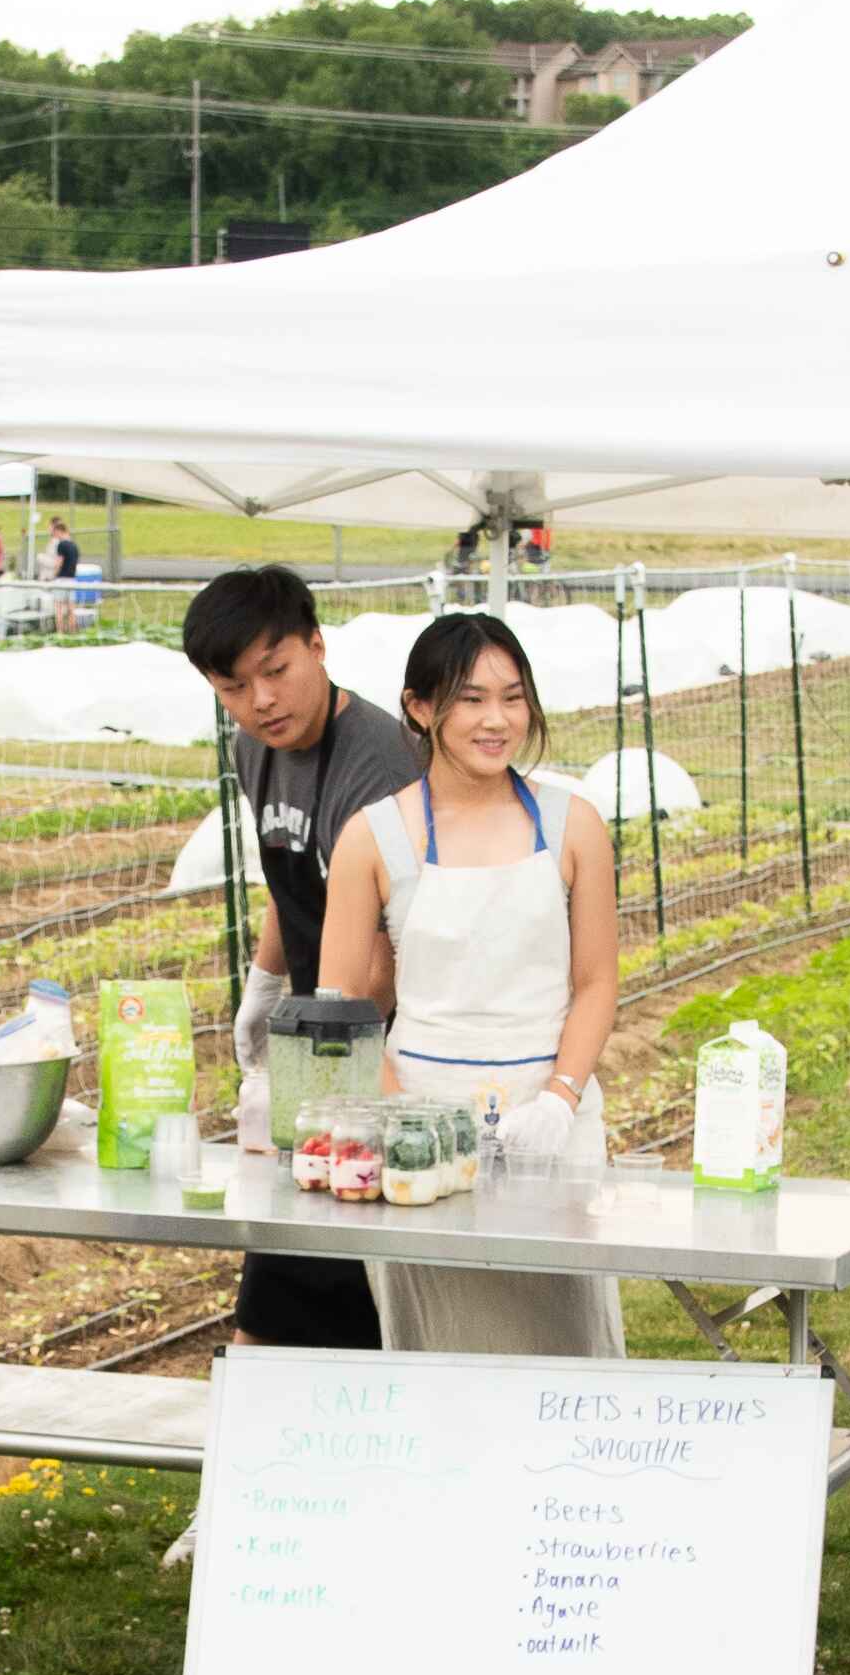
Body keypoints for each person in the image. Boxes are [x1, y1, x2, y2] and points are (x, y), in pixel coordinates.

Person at [318, 608, 624, 1360]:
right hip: (421, 1131)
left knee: (564, 1344)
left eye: (513, 698)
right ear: (420, 709)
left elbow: (596, 983)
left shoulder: (573, 823)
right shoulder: (373, 837)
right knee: (436, 1348)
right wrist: (410, 1128)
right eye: (471, 699)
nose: (498, 720)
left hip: (550, 1124)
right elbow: (340, 1012)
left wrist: (560, 1099)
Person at [184, 564, 425, 1354]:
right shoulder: (255, 749)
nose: (260, 702)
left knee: (359, 1272)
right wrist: (263, 984)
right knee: (287, 1265)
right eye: (233, 687)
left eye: (276, 671)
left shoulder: (380, 762)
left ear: (318, 646)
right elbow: (286, 873)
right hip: (323, 1032)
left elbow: (396, 944)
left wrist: (331, 1055)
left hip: (385, 1041)